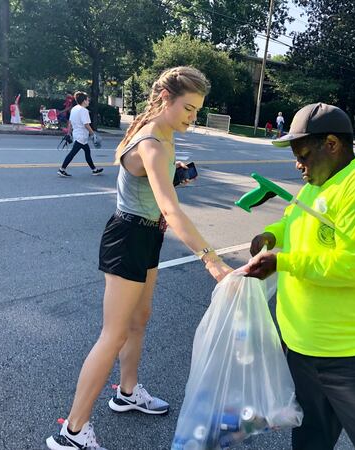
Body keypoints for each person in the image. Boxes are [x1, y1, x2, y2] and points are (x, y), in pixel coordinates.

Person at [46, 67, 233, 450]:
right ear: (166, 98)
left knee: (139, 319)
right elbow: (172, 209)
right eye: (188, 109)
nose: (192, 118)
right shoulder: (152, 140)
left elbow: (151, 182)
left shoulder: (163, 133)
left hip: (148, 235)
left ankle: (127, 392)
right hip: (128, 236)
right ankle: (73, 432)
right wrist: (212, 261)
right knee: (112, 334)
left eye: (197, 111)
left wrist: (174, 175)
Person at [244, 102, 355, 450]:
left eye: (304, 154)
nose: (298, 165)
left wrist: (284, 262)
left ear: (333, 145)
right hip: (306, 352)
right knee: (310, 443)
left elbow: (354, 266)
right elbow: (294, 222)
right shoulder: (313, 186)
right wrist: (272, 236)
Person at [57, 91, 104, 177]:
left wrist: (68, 133)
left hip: (77, 134)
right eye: (87, 100)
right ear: (84, 101)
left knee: (87, 152)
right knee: (73, 153)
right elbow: (86, 124)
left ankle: (94, 170)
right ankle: (62, 169)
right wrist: (93, 134)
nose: (88, 101)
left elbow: (70, 122)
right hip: (81, 136)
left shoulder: (74, 108)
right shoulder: (84, 111)